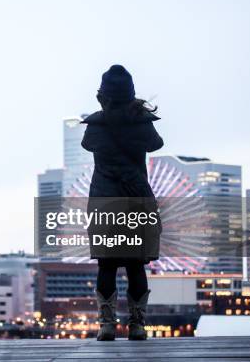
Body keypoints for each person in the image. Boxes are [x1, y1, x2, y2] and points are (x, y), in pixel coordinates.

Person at [81, 64, 164, 341]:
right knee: (135, 265)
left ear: (103, 96)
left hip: (104, 204)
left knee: (106, 266)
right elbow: (156, 144)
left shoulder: (95, 126)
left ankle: (106, 325)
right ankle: (137, 325)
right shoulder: (141, 124)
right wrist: (137, 112)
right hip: (135, 201)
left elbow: (87, 144)